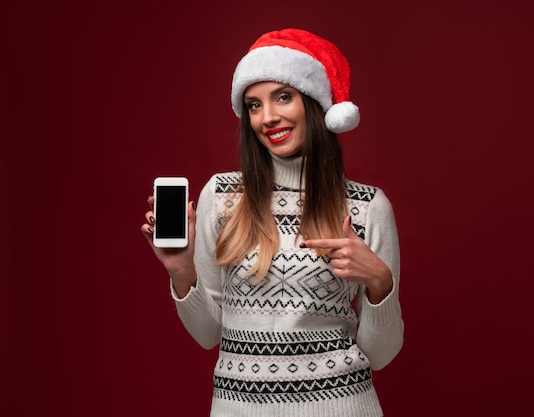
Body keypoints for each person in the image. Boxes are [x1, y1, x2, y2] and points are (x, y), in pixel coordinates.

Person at [141, 28, 404, 417]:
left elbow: (381, 356)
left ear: (314, 103)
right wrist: (181, 271)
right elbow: (208, 334)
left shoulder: (366, 206)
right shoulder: (223, 195)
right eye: (253, 105)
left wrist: (381, 284)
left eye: (283, 97)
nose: (268, 117)